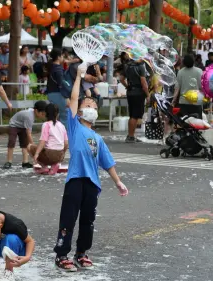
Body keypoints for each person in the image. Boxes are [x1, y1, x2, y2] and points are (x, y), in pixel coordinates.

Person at [53, 64, 129, 271]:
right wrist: (78, 76)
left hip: (92, 185)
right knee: (68, 219)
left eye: (94, 107)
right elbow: (74, 97)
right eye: (87, 105)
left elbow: (108, 162)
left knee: (88, 221)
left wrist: (118, 182)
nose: (91, 108)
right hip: (75, 181)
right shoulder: (74, 126)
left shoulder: (97, 138)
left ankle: (81, 253)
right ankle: (61, 254)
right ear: (79, 111)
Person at [2, 101, 47, 169]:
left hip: (23, 126)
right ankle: (9, 161)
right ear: (36, 110)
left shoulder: (32, 113)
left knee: (25, 144)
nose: (43, 116)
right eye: (42, 114)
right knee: (12, 141)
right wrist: (32, 145)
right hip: (14, 124)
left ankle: (25, 162)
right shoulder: (29, 116)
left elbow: (27, 132)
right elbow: (28, 133)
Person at [28, 103, 68, 175]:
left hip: (49, 155)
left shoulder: (46, 124)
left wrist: (36, 154)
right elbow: (66, 143)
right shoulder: (62, 125)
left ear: (46, 113)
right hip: (59, 155)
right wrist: (62, 154)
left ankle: (44, 167)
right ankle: (54, 166)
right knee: (52, 152)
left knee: (29, 146)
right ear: (58, 114)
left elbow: (43, 141)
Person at [121, 56, 150, 143]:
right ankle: (131, 136)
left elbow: (121, 79)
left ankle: (131, 135)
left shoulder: (127, 65)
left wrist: (127, 86)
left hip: (130, 92)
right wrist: (148, 95)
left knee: (132, 114)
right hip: (138, 93)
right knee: (135, 115)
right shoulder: (140, 66)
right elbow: (144, 83)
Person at [173, 54, 204, 118]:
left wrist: (173, 101)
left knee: (184, 123)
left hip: (183, 103)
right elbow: (202, 87)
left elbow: (177, 88)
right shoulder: (199, 71)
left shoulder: (180, 72)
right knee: (196, 124)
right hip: (196, 102)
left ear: (184, 62)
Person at [46, 49, 67, 126]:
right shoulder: (58, 69)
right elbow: (62, 84)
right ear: (58, 57)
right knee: (64, 116)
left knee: (54, 116)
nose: (63, 57)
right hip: (59, 94)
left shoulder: (51, 67)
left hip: (50, 94)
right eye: (62, 56)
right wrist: (67, 96)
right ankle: (64, 136)